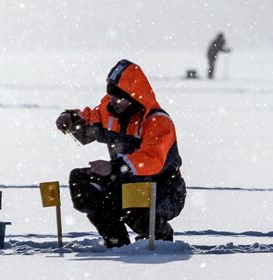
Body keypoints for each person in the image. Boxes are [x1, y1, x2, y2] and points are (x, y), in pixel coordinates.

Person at [55, 59, 186, 248]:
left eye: (119, 98)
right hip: (124, 180)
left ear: (135, 97)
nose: (113, 103)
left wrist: (114, 167)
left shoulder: (158, 122)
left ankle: (160, 238)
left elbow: (151, 160)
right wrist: (70, 118)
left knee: (136, 212)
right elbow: (91, 119)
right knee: (80, 181)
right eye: (111, 97)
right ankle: (116, 242)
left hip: (164, 188)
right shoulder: (110, 111)